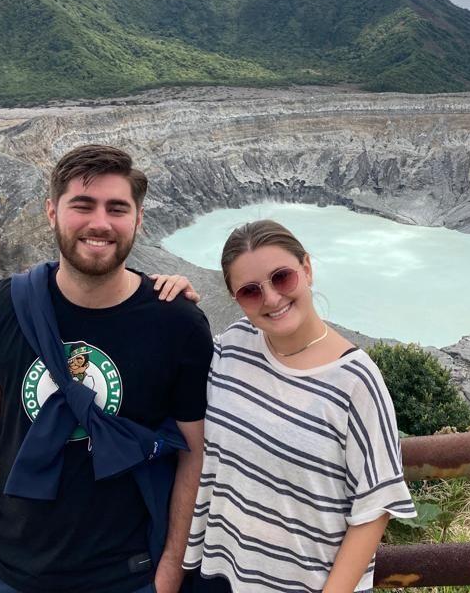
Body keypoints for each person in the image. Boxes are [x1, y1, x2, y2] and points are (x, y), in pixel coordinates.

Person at [0, 144, 214, 593]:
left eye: (117, 208)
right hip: (5, 572)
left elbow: (193, 452)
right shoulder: (1, 310)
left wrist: (168, 572)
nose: (100, 223)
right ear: (51, 212)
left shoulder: (177, 324)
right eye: (82, 205)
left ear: (139, 219)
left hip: (128, 574)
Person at [169, 219, 416, 592]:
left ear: (307, 269)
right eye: (251, 291)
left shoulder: (356, 381)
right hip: (218, 575)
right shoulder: (231, 347)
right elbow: (174, 369)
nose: (271, 298)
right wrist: (167, 302)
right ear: (235, 298)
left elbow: (375, 507)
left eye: (282, 278)